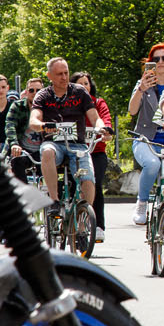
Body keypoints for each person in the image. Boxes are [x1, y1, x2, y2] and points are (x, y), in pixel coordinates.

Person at [30, 58, 104, 215]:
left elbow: (95, 117)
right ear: (49, 76)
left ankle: (84, 218)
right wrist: (43, 126)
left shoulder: (79, 92)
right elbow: (33, 121)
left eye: (66, 73)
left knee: (89, 178)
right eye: (59, 74)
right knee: (47, 152)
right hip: (54, 143)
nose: (64, 77)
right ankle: (54, 200)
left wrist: (101, 128)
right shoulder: (43, 95)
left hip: (77, 144)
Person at [128, 43, 164, 224]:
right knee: (152, 165)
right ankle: (142, 201)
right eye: (155, 59)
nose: (161, 62)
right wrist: (141, 89)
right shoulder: (144, 84)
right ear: (150, 62)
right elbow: (132, 111)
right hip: (146, 140)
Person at [71, 71, 113, 241]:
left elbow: (106, 120)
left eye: (86, 83)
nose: (84, 87)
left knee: (95, 182)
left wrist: (107, 131)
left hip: (95, 151)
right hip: (74, 151)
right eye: (80, 84)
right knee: (72, 183)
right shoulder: (70, 103)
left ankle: (98, 225)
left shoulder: (98, 103)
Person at [3, 76, 42, 185]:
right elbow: (10, 125)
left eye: (38, 90)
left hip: (42, 150)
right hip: (22, 149)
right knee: (16, 161)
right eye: (31, 90)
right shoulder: (17, 106)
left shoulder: (48, 107)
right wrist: (14, 144)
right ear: (26, 92)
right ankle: (24, 193)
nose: (35, 93)